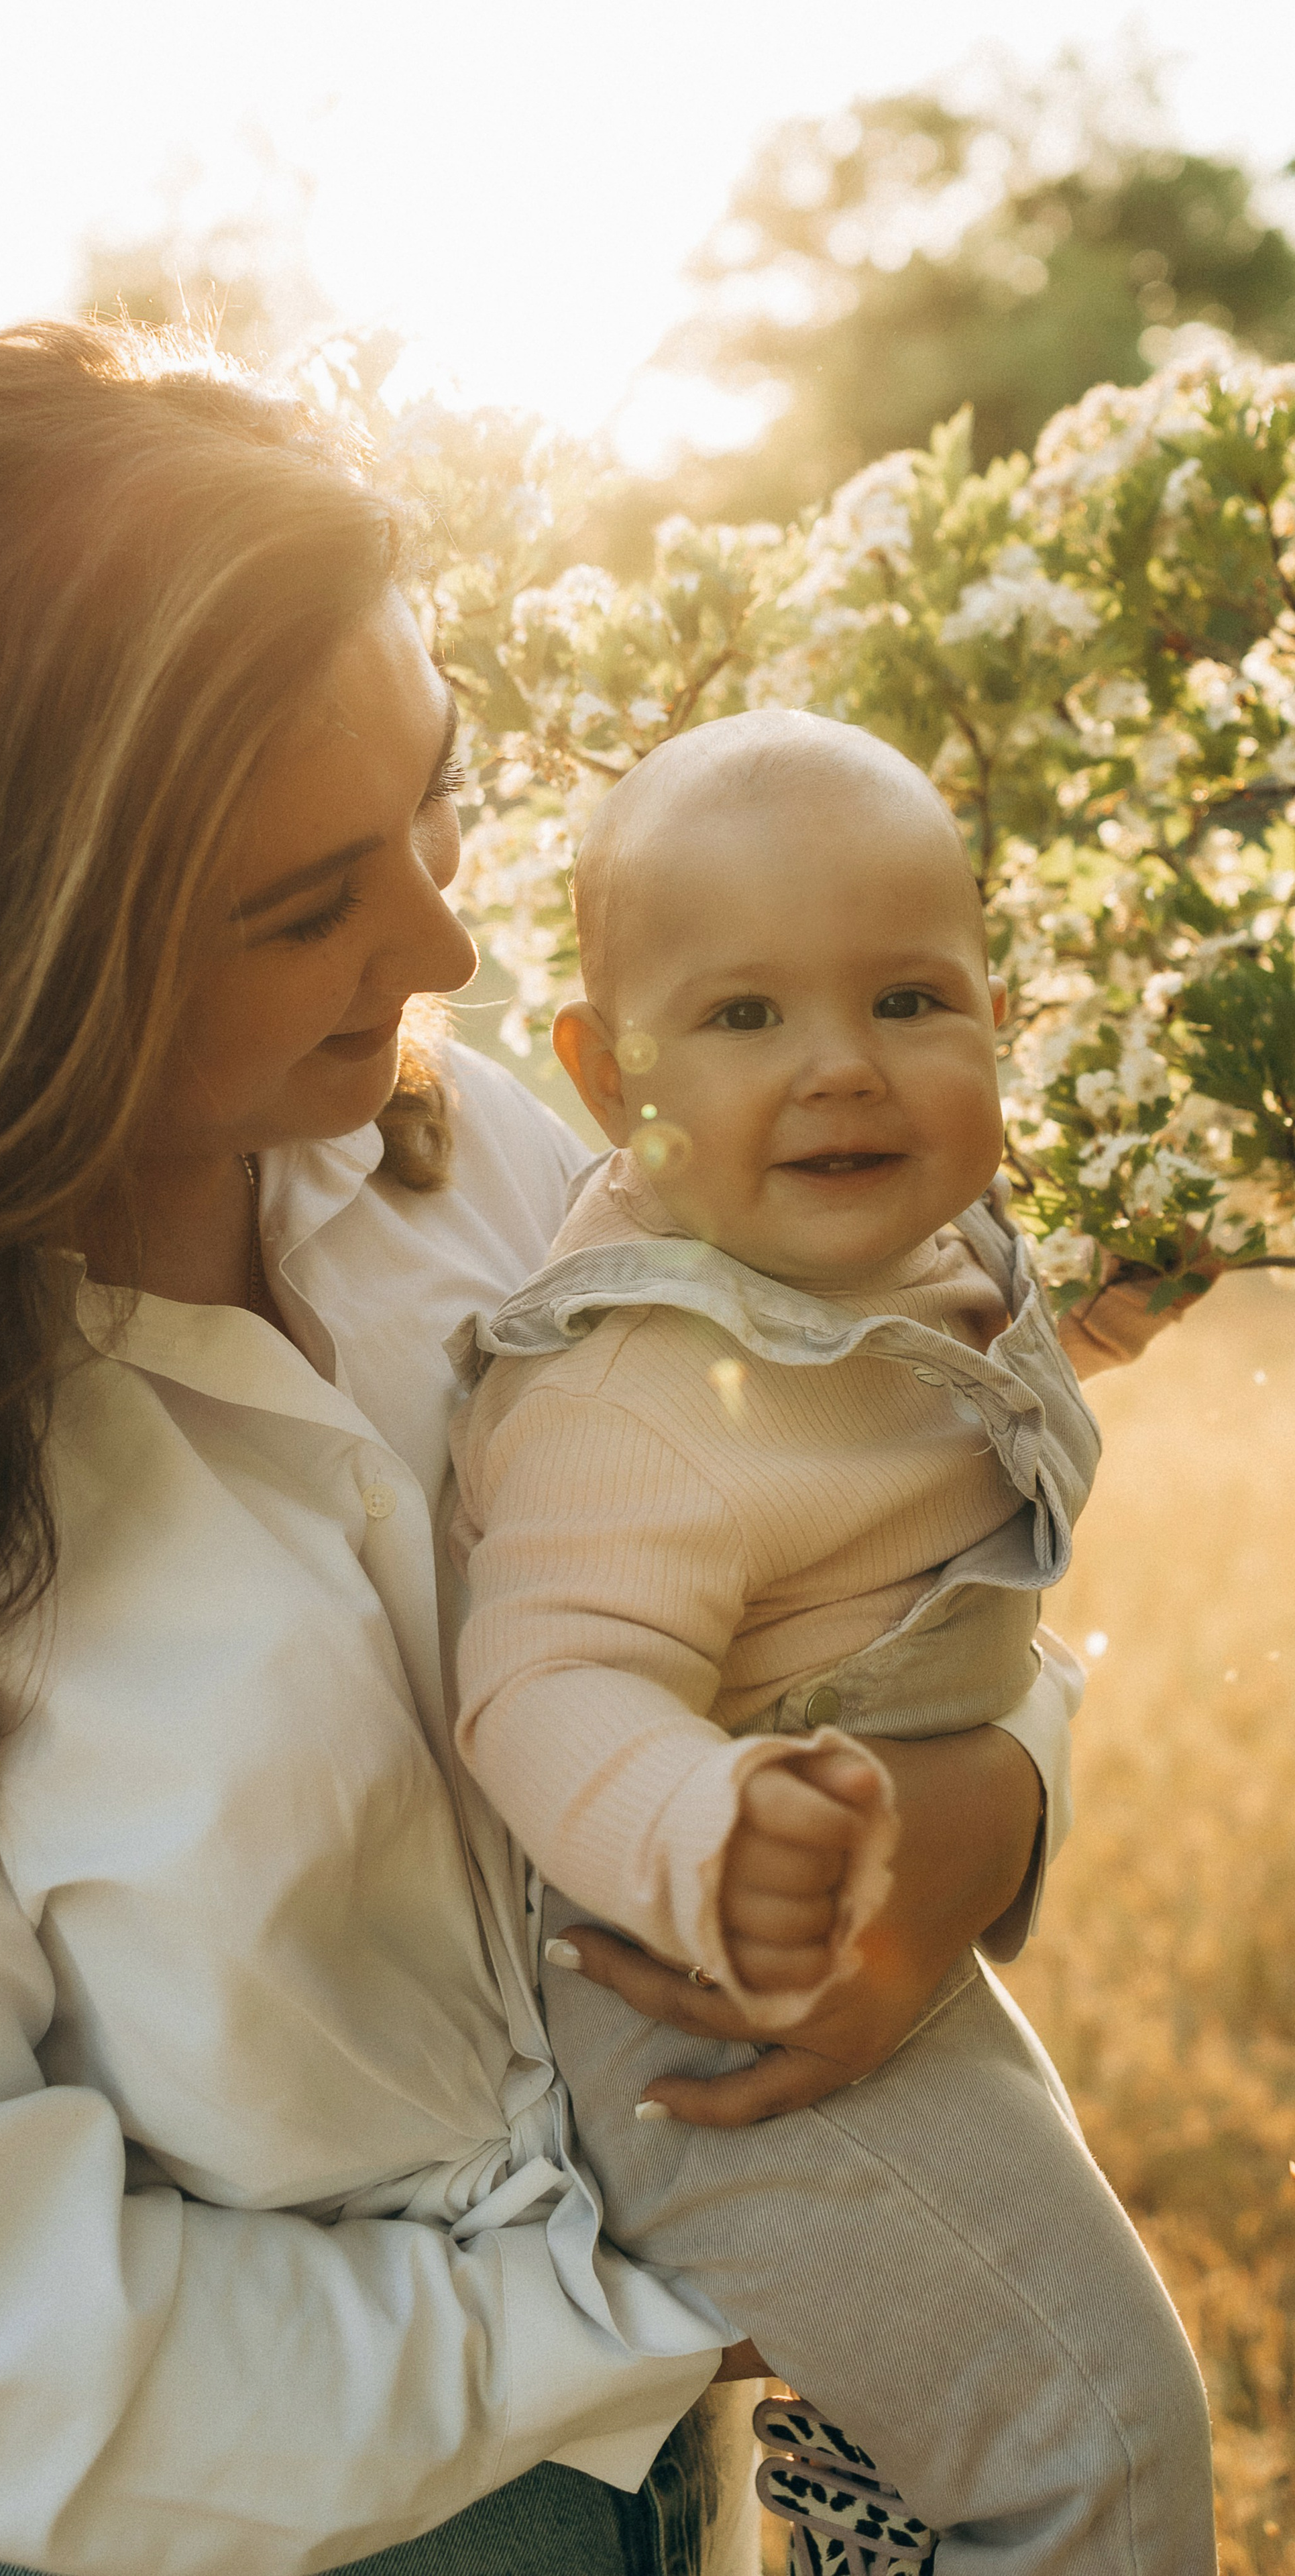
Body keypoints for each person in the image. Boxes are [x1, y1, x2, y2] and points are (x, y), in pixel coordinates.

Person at [0, 326, 1080, 2576]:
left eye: (433, 800)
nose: (445, 937)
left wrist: (991, 1803)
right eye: (306, 904)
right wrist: (654, 2304)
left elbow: (818, 1546)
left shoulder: (480, 1161)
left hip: (673, 2496)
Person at [447, 712, 1216, 2572]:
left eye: (909, 999)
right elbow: (540, 1683)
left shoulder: (879, 1255)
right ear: (599, 1071)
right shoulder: (631, 1386)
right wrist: (703, 1825)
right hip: (702, 2011)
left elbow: (888, 1434)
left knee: (995, 2400)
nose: (842, 1072)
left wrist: (1087, 1334)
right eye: (744, 1018)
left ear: (995, 1017)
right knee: (1097, 2444)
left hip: (862, 1974)